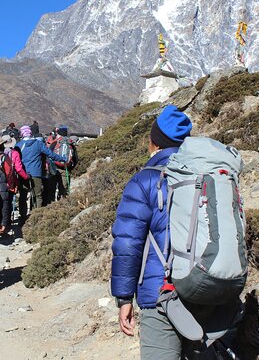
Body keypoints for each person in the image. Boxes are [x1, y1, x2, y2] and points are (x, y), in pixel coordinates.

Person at [111, 105, 195, 359]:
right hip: (209, 289)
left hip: (162, 292)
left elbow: (128, 244)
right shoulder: (208, 175)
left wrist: (124, 298)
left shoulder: (144, 180)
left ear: (154, 142)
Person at [15, 125, 66, 223]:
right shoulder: (38, 144)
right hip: (36, 173)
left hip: (22, 174)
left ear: (22, 134)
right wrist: (62, 158)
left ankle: (23, 217)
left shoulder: (18, 145)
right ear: (30, 133)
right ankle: (36, 217)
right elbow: (50, 154)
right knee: (37, 195)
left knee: (23, 195)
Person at [1, 135, 29, 232]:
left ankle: (1, 224)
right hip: (11, 180)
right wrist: (26, 177)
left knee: (1, 202)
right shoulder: (14, 153)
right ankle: (7, 224)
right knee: (8, 202)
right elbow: (18, 169)